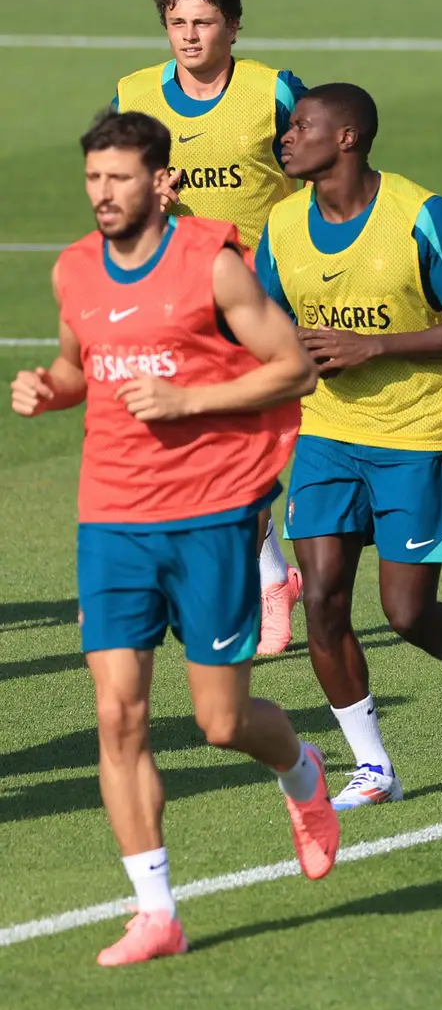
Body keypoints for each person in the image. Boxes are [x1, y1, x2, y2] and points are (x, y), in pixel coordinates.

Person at [11, 110, 334, 966]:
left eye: (117, 179)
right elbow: (84, 365)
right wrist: (53, 388)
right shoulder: (75, 271)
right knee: (118, 715)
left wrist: (187, 401)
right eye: (92, 179)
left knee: (220, 722)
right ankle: (156, 910)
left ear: (161, 183)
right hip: (112, 517)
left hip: (212, 512)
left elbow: (293, 365)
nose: (101, 195)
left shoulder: (212, 265)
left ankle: (302, 771)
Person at [256, 83, 442, 811]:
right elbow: (264, 323)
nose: (287, 136)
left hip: (415, 434)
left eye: (301, 126)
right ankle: (373, 767)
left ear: (346, 138)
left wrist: (377, 346)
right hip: (327, 434)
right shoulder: (281, 225)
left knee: (405, 612)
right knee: (325, 602)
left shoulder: (417, 214)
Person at [113, 0, 310, 657]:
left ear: (232, 26)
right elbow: (116, 184)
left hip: (265, 297)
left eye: (203, 22)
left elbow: (326, 168)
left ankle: (264, 582)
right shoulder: (135, 94)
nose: (189, 37)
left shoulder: (273, 91)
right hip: (181, 298)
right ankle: (268, 579)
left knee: (246, 448)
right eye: (177, 24)